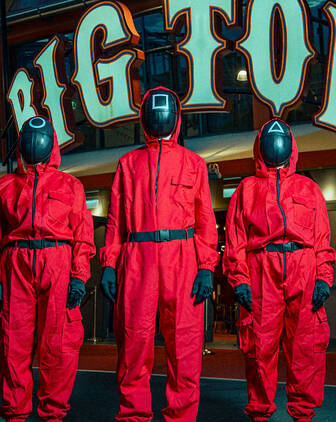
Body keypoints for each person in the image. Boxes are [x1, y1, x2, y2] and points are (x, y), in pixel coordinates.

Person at [99, 86, 219, 421]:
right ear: (144, 118)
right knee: (133, 343)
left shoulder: (194, 164)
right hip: (138, 257)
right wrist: (109, 263)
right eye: (154, 110)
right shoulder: (128, 164)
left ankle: (180, 417)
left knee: (185, 345)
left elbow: (204, 219)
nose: (159, 116)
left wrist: (206, 266)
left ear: (176, 119)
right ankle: (133, 415)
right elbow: (116, 220)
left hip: (182, 256)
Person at [0, 115, 95, 422]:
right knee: (10, 341)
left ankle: (52, 413)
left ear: (51, 142)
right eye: (29, 137)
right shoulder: (3, 187)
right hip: (14, 262)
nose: (35, 141)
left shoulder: (71, 186)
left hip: (58, 261)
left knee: (58, 342)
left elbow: (83, 238)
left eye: (40, 137)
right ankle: (16, 412)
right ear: (21, 145)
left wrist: (78, 276)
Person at [223, 118, 336, 422]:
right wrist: (240, 281)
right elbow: (235, 242)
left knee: (307, 348)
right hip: (261, 271)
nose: (276, 143)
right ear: (260, 146)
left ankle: (303, 414)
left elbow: (322, 239)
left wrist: (324, 277)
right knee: (260, 348)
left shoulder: (309, 188)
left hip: (304, 269)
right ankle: (260, 413)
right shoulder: (245, 190)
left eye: (282, 137)